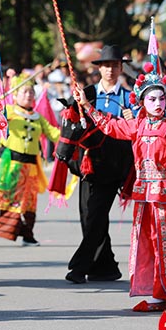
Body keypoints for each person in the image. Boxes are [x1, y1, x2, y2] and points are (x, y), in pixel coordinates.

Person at [73, 63, 166, 311]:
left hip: (164, 195)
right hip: (143, 194)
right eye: (152, 99)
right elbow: (110, 127)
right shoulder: (138, 126)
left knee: (164, 243)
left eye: (161, 99)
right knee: (145, 242)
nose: (158, 103)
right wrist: (87, 106)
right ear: (143, 102)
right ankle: (155, 293)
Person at [65, 45, 135, 284]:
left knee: (95, 215)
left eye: (114, 65)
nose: (110, 70)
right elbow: (71, 122)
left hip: (116, 165)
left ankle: (79, 267)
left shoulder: (130, 96)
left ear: (121, 68)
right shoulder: (87, 94)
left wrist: (132, 118)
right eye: (106, 65)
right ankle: (105, 266)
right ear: (99, 68)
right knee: (89, 217)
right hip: (89, 165)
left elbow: (138, 127)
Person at [0, 77, 59, 246]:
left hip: (31, 166)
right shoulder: (9, 111)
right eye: (24, 92)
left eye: (31, 92)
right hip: (11, 162)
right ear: (15, 95)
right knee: (1, 196)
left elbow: (53, 134)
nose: (28, 95)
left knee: (29, 200)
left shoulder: (38, 117)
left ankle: (27, 235)